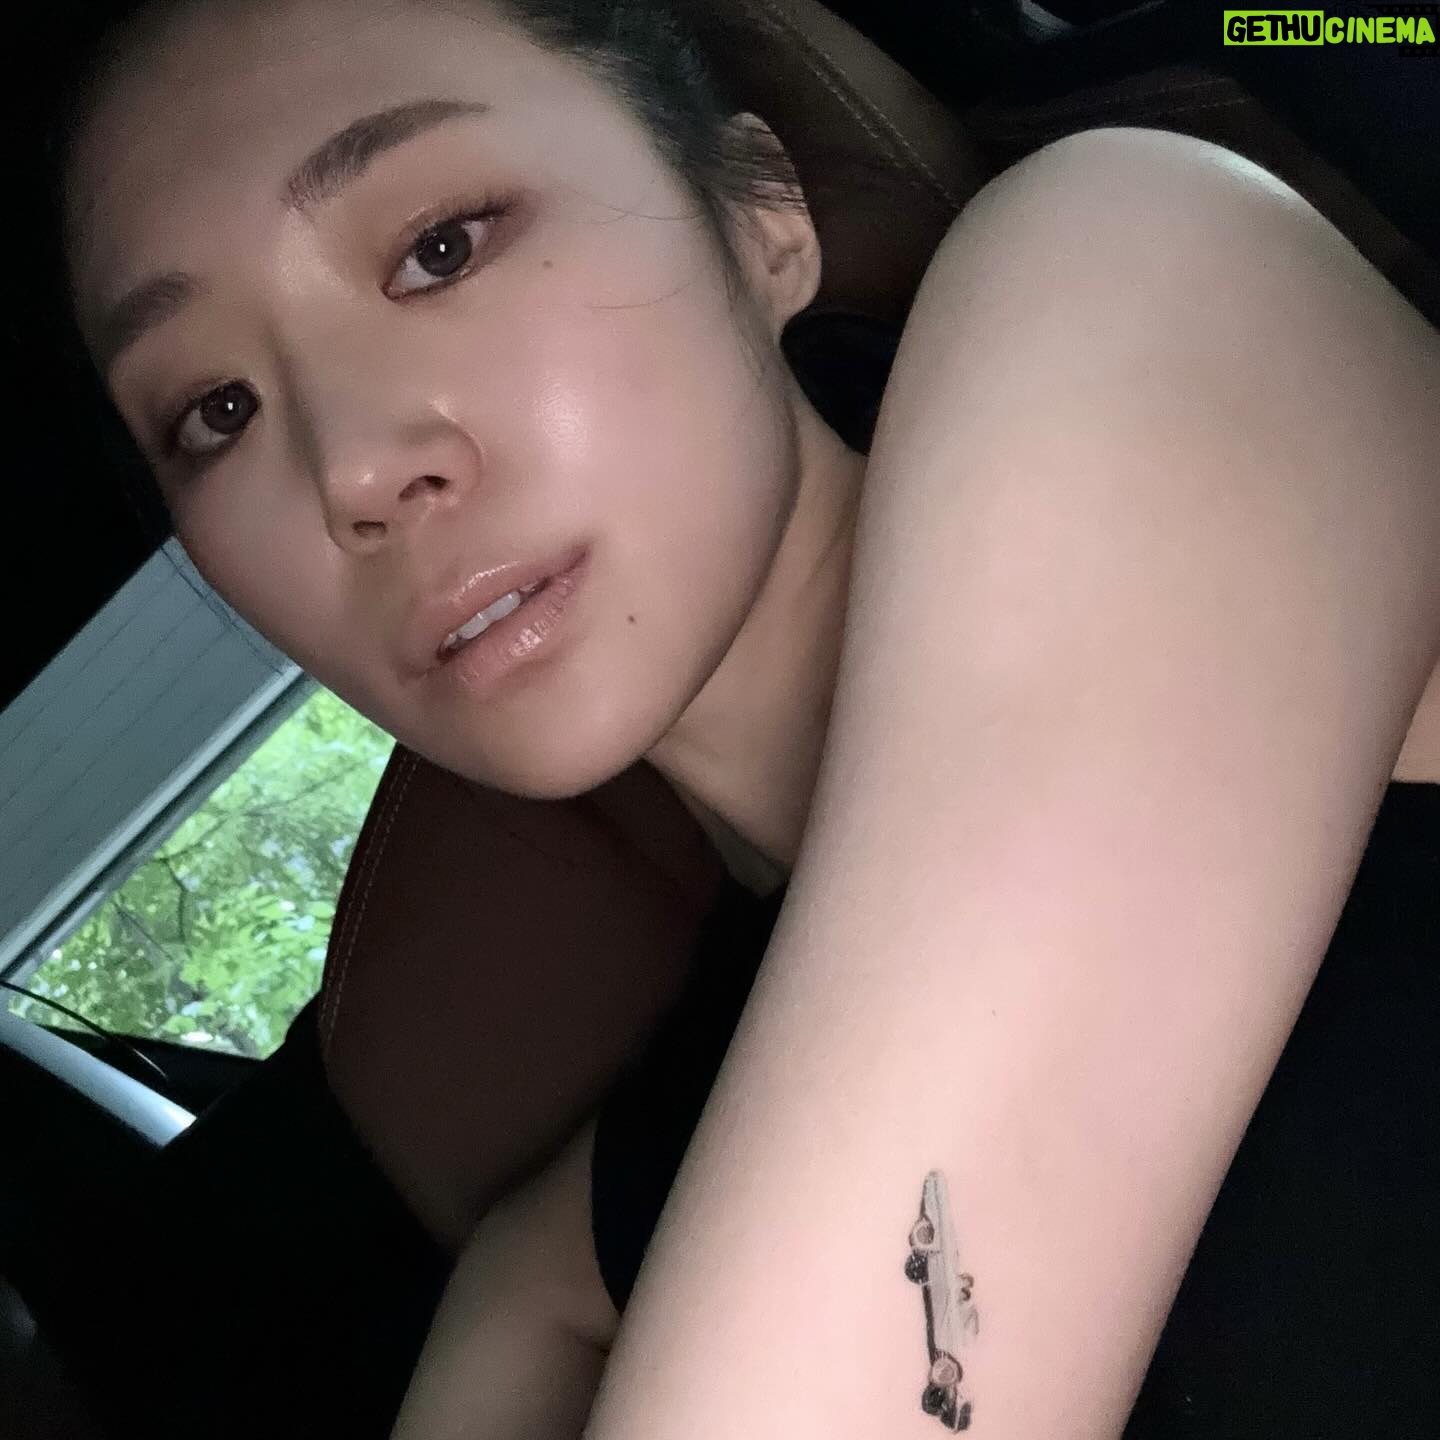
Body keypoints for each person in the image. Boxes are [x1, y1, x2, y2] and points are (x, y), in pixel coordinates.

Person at [48, 1, 1440, 1438]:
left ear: (763, 213)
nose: (351, 470)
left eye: (441, 248)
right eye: (216, 411)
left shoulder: (1147, 281)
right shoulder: (589, 1232)